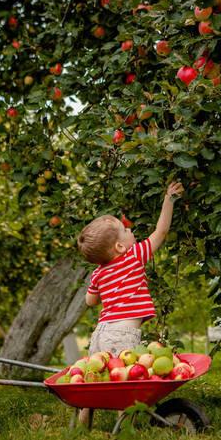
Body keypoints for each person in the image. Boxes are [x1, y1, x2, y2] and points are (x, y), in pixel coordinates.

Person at [75, 181, 184, 426]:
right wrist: (169, 199)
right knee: (125, 386)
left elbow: (90, 301)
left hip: (100, 333)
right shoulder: (133, 257)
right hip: (123, 333)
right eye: (125, 230)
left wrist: (102, 290)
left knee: (93, 384)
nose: (129, 229)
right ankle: (124, 429)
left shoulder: (98, 274)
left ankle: (83, 427)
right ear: (120, 247)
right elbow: (161, 232)